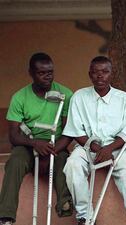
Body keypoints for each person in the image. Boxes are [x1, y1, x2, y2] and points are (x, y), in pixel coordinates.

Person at [62, 56, 126, 225]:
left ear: (111, 74)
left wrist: (108, 149)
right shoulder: (79, 97)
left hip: (116, 147)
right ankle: (84, 215)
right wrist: (96, 148)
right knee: (72, 165)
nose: (100, 76)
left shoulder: (123, 98)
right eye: (95, 72)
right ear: (90, 75)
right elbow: (75, 130)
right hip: (87, 146)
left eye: (105, 72)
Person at [0, 52, 73, 224]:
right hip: (28, 143)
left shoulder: (66, 94)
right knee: (15, 161)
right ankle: (6, 215)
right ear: (31, 73)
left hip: (56, 145)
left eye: (50, 72)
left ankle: (65, 204)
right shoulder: (20, 97)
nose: (47, 76)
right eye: (41, 73)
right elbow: (13, 136)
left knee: (64, 160)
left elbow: (70, 131)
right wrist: (35, 144)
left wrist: (51, 149)